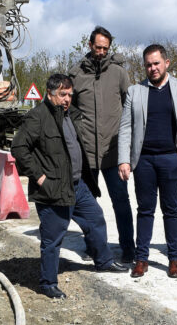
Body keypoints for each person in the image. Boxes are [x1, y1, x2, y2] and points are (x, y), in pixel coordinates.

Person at [10, 74, 127, 299]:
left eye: (70, 95)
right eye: (62, 94)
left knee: (95, 219)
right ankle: (48, 283)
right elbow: (19, 148)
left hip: (78, 185)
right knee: (52, 239)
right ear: (50, 93)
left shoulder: (71, 115)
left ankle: (103, 261)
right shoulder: (38, 117)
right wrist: (39, 177)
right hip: (53, 189)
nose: (67, 99)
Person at [118, 44, 177, 279]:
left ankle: (174, 259)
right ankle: (141, 259)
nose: (152, 68)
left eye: (156, 63)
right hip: (143, 161)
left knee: (171, 210)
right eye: (148, 64)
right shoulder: (135, 92)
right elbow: (125, 128)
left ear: (166, 63)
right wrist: (124, 160)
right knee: (145, 210)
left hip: (171, 159)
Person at [69, 27, 133, 262]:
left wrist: (128, 146)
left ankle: (128, 249)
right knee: (88, 207)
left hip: (113, 153)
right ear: (89, 45)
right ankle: (94, 247)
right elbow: (69, 110)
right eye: (98, 47)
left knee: (121, 204)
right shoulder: (75, 75)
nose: (102, 52)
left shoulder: (119, 73)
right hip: (86, 155)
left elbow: (130, 107)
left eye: (106, 48)